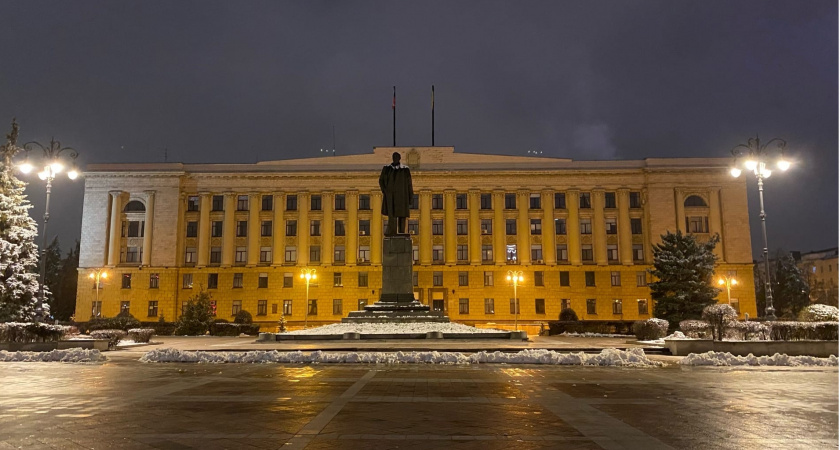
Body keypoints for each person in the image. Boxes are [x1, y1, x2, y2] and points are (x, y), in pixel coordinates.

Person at [379, 152, 413, 236]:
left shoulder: (405, 169)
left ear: (399, 158)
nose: (395, 158)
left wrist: (410, 198)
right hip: (391, 195)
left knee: (402, 215)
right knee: (392, 214)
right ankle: (392, 231)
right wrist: (385, 191)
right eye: (394, 157)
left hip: (402, 195)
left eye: (397, 157)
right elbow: (381, 180)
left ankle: (402, 232)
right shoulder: (386, 169)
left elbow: (409, 184)